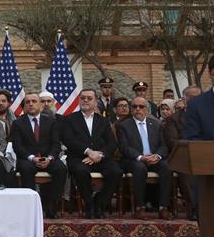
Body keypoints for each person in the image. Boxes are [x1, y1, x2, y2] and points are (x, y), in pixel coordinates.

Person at [60, 88, 122, 219]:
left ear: (95, 102)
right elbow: (68, 140)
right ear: (79, 100)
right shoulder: (69, 119)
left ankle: (100, 202)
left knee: (116, 171)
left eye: (89, 98)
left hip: (101, 158)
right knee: (81, 172)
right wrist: (88, 152)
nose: (86, 100)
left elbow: (112, 143)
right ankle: (89, 205)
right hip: (78, 158)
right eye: (83, 98)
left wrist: (100, 155)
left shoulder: (103, 121)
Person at [11, 93, 67, 218]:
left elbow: (56, 144)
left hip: (48, 158)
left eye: (34, 101)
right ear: (24, 106)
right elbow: (17, 146)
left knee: (61, 169)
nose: (31, 104)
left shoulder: (51, 122)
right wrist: (32, 158)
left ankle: (51, 204)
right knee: (26, 169)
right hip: (28, 159)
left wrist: (50, 158)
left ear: (40, 104)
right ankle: (31, 207)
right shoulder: (18, 123)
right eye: (27, 102)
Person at [118, 97, 172, 219]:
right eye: (134, 106)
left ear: (146, 109)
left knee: (166, 166)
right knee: (140, 167)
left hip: (154, 158)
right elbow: (124, 147)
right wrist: (141, 157)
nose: (137, 109)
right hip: (134, 160)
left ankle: (163, 207)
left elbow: (164, 145)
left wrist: (157, 156)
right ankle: (140, 207)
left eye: (141, 107)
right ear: (131, 109)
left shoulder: (156, 124)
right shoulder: (124, 126)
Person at [162, 85, 201, 220]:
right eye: (192, 97)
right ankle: (195, 209)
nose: (196, 100)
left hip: (206, 155)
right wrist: (191, 149)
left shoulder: (209, 116)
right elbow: (172, 141)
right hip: (183, 157)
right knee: (188, 172)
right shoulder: (174, 119)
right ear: (185, 99)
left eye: (198, 97)